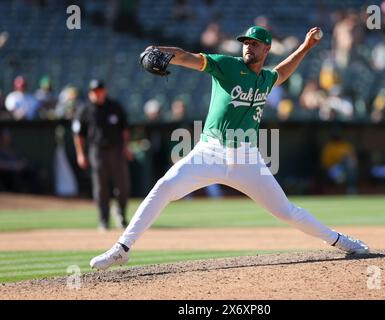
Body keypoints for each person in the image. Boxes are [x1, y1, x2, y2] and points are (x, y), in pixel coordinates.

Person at [90, 26, 369, 270]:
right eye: (245, 42)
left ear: (266, 48)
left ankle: (339, 240)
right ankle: (122, 248)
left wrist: (305, 47)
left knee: (286, 211)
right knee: (164, 187)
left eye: (254, 43)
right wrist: (158, 49)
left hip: (247, 158)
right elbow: (188, 57)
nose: (248, 46)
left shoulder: (265, 79)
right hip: (209, 152)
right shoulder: (227, 65)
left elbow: (282, 72)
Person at [72, 80, 132, 231]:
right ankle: (104, 220)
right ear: (90, 93)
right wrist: (80, 154)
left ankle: (121, 215)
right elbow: (78, 135)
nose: (97, 93)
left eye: (99, 90)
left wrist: (126, 148)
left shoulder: (115, 106)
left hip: (116, 150)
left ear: (104, 91)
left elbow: (124, 129)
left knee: (122, 186)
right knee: (101, 187)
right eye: (94, 91)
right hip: (97, 151)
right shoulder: (85, 109)